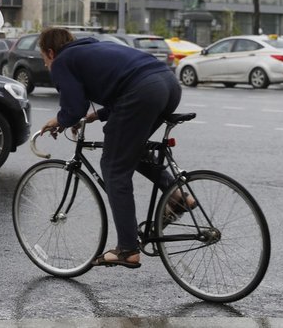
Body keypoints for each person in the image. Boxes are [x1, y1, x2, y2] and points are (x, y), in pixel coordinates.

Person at [38, 27, 187, 269]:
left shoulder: (63, 61)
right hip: (168, 84)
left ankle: (127, 249)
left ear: (51, 52)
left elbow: (73, 107)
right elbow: (123, 83)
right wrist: (96, 116)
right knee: (130, 147)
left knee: (113, 167)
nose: (45, 65)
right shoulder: (91, 48)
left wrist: (61, 120)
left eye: (44, 59)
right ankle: (178, 195)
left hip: (144, 90)